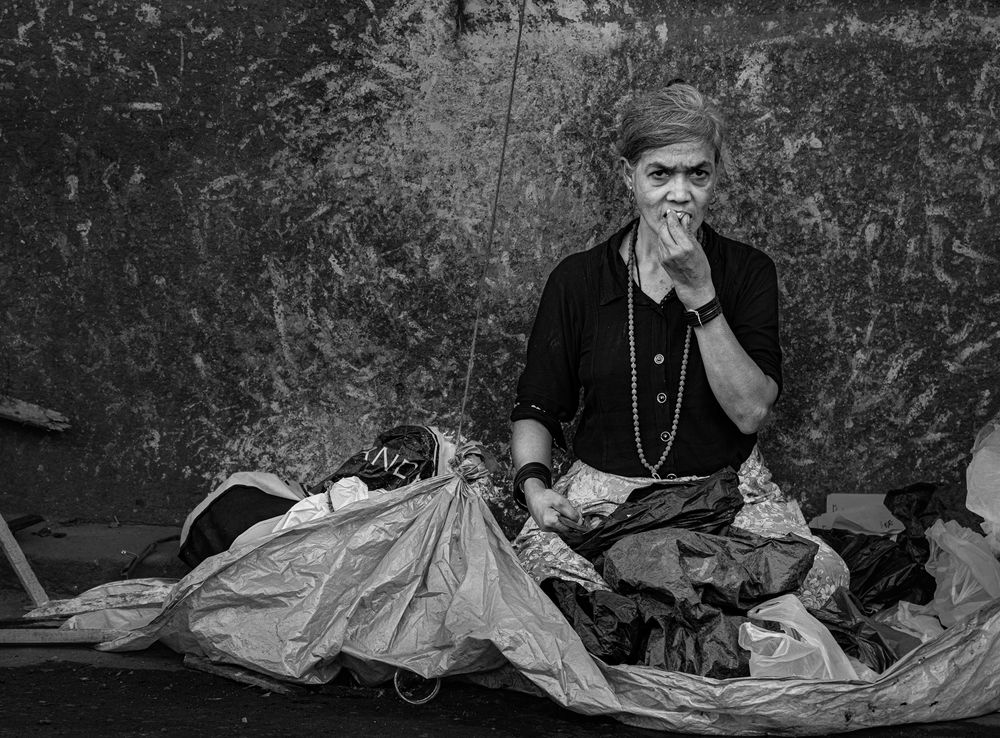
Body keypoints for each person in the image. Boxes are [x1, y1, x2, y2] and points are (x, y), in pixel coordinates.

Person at [509, 81, 846, 607]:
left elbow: (750, 412)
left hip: (725, 499)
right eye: (660, 174)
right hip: (607, 501)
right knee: (544, 592)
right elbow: (538, 406)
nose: (680, 194)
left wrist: (699, 291)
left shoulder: (748, 272)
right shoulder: (577, 281)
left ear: (716, 176)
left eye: (698, 174)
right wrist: (535, 488)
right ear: (628, 176)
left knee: (822, 579)